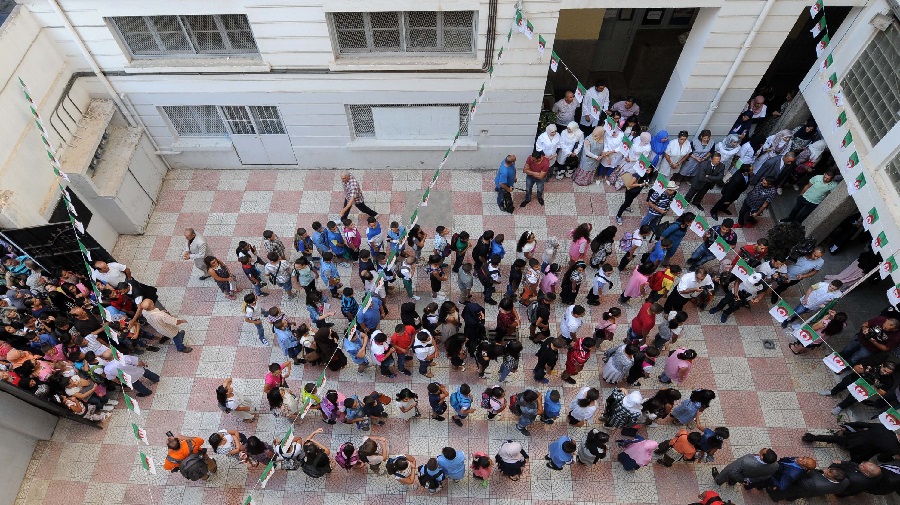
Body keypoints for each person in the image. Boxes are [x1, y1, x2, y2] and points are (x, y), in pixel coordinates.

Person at [820, 358, 895, 416]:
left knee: (852, 398)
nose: (885, 373)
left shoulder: (889, 380)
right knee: (842, 384)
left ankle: (841, 407)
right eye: (884, 370)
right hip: (855, 378)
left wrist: (874, 387)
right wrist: (865, 371)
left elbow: (882, 393)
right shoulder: (873, 362)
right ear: (882, 365)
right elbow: (855, 368)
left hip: (865, 389)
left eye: (888, 373)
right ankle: (832, 392)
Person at [767, 464, 849, 501]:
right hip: (813, 492)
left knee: (789, 492)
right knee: (796, 496)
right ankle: (790, 499)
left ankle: (775, 497)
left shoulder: (814, 481)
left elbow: (801, 481)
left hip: (805, 488)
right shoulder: (846, 481)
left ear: (834, 479)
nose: (826, 470)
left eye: (828, 472)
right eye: (829, 469)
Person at [713, 448, 779, 486]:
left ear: (762, 457)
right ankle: (731, 483)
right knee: (734, 479)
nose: (764, 448)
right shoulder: (775, 465)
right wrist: (749, 480)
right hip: (745, 475)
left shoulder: (746, 461)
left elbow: (733, 471)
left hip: (739, 473)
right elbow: (766, 476)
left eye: (764, 450)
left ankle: (718, 480)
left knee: (727, 472)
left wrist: (741, 480)